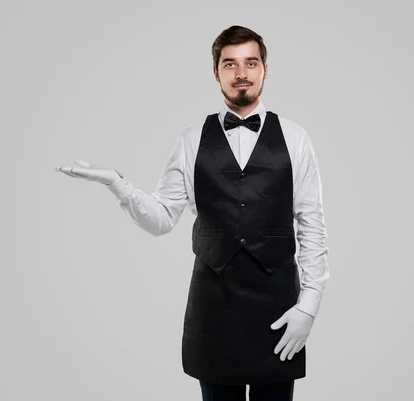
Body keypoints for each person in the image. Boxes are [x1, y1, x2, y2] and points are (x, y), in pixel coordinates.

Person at [55, 25, 329, 401]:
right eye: (230, 64)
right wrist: (116, 183)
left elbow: (312, 227)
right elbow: (162, 219)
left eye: (251, 62)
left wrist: (309, 307)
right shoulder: (191, 139)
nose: (241, 73)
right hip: (213, 309)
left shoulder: (296, 138)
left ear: (265, 69)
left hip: (279, 309)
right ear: (216, 73)